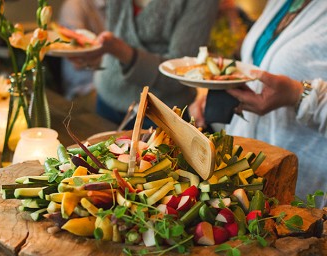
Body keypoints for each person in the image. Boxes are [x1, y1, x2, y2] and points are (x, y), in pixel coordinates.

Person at [190, 0, 327, 206]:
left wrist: (298, 94)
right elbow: (261, 69)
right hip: (245, 176)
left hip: (295, 191)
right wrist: (221, 90)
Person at [70, 0, 219, 128]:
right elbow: (116, 30)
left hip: (160, 113)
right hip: (107, 98)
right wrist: (93, 52)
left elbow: (182, 74)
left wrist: (120, 51)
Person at [57, 0, 106, 100]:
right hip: (84, 88)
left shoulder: (121, 5)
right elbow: (79, 59)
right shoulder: (74, 5)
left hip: (112, 82)